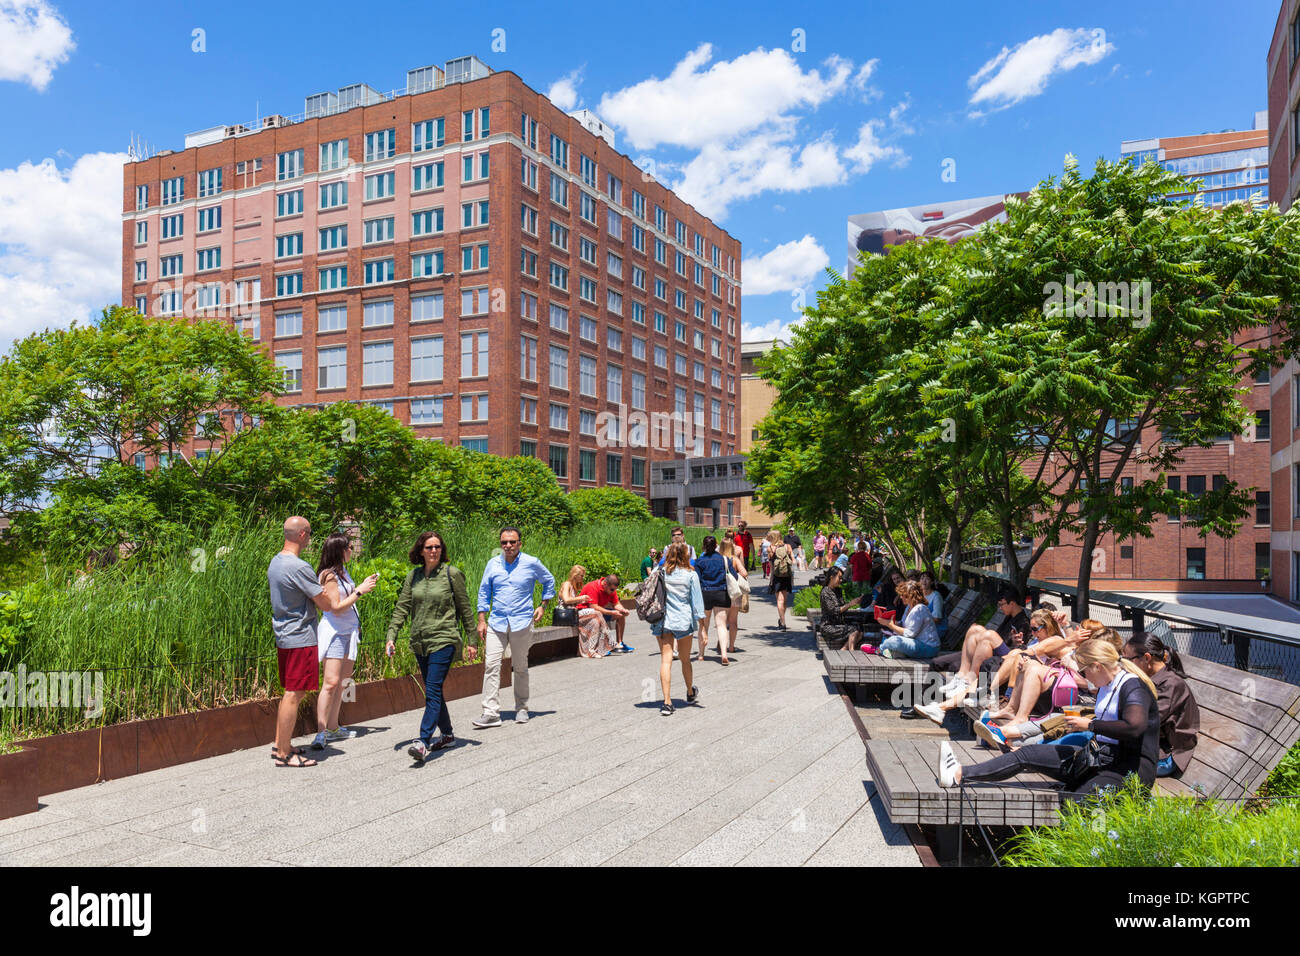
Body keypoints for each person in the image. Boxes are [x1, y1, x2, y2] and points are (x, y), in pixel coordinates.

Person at [938, 638, 1161, 801]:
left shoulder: (1133, 687)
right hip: (1099, 758)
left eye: (1084, 671)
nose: (1084, 677)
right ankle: (959, 773)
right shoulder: (1107, 683)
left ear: (1098, 666)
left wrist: (1090, 725)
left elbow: (1135, 727)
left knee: (1075, 802)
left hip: (1129, 771)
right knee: (1026, 754)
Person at [268, 516, 376, 767]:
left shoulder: (276, 562)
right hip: (300, 635)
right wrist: (355, 591)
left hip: (284, 634)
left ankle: (280, 744)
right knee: (295, 693)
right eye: (310, 533)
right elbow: (327, 604)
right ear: (302, 535)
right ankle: (284, 754)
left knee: (290, 691)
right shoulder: (300, 567)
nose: (311, 538)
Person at [386, 531, 478, 763]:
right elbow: (402, 607)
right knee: (433, 690)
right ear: (421, 551)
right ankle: (447, 735)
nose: (434, 551)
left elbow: (465, 608)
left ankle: (422, 741)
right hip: (420, 641)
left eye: (437, 547)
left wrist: (472, 640)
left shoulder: (451, 574)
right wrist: (391, 636)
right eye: (429, 547)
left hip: (444, 638)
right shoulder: (414, 576)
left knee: (433, 689)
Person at [473, 526, 556, 728]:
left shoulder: (531, 563)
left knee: (520, 667)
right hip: (497, 622)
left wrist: (543, 605)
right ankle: (491, 713)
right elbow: (484, 591)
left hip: (522, 622)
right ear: (500, 544)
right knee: (491, 665)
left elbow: (549, 581)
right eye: (504, 542)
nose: (508, 545)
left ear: (520, 543)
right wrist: (482, 619)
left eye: (512, 542)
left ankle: (521, 708)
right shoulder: (493, 564)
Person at [312, 532, 368, 750]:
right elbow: (335, 608)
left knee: (344, 680)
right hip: (335, 633)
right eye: (349, 547)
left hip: (349, 632)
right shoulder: (329, 576)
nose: (351, 551)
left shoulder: (342, 571)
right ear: (339, 550)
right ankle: (321, 731)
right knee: (331, 682)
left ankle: (334, 727)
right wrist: (360, 591)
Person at [929, 586, 1030, 702]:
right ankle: (961, 675)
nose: (1000, 608)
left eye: (1001, 604)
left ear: (1012, 603)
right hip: (997, 649)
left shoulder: (1023, 622)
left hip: (1009, 657)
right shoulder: (1009, 617)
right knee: (975, 629)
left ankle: (969, 680)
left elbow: (1021, 649)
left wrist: (1014, 641)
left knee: (989, 635)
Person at [1124, 632, 1200, 777]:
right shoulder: (1151, 677)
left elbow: (1144, 721)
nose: (1125, 665)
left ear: (1147, 658)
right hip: (1152, 746)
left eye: (1128, 659)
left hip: (1167, 756)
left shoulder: (1170, 684)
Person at [653, 542, 702, 715]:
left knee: (666, 661)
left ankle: (667, 702)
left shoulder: (660, 572)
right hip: (683, 621)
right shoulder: (691, 575)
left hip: (664, 620)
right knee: (685, 659)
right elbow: (697, 603)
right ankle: (690, 692)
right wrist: (702, 627)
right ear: (686, 555)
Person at [869, 580, 939, 659]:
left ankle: (878, 650)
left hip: (928, 647)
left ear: (911, 596)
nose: (901, 597)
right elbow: (903, 624)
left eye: (903, 595)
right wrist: (890, 622)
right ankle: (897, 653)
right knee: (888, 636)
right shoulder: (909, 607)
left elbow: (910, 633)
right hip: (916, 643)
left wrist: (890, 625)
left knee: (895, 640)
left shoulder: (920, 609)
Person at [560, 565, 613, 659]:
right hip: (566, 614)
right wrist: (581, 598)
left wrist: (582, 601)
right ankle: (609, 640)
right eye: (581, 575)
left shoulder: (574, 586)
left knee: (595, 622)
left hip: (574, 614)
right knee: (597, 612)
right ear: (575, 575)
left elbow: (573, 602)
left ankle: (591, 651)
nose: (583, 578)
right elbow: (566, 600)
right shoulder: (566, 584)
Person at [694, 535, 732, 664]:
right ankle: (724, 654)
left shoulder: (700, 561)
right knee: (721, 625)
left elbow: (697, 580)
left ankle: (701, 654)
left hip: (705, 594)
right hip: (722, 593)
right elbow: (734, 576)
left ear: (703, 546)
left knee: (704, 625)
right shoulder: (724, 559)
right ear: (716, 545)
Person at [583, 571, 632, 654]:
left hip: (600, 612)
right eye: (612, 589)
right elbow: (593, 607)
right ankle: (602, 647)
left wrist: (623, 610)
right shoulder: (593, 587)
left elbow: (616, 604)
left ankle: (620, 643)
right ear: (605, 584)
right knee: (599, 616)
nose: (613, 591)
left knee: (621, 615)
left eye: (615, 589)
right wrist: (611, 613)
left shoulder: (610, 589)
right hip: (587, 613)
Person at [818, 565, 865, 651]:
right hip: (829, 625)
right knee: (853, 630)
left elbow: (842, 607)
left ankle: (843, 650)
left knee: (860, 628)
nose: (841, 580)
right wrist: (850, 604)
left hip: (839, 622)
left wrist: (855, 602)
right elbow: (834, 611)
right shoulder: (825, 592)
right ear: (831, 577)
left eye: (841, 578)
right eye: (839, 578)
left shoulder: (838, 590)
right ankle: (851, 651)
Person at [720, 538, 748, 656]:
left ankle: (721, 644)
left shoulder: (718, 559)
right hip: (734, 592)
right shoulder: (735, 559)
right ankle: (731, 646)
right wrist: (733, 574)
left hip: (721, 592)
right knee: (733, 621)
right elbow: (745, 573)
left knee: (721, 622)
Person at [767, 530, 795, 630]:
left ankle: (783, 623)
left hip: (777, 576)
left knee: (779, 600)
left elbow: (771, 566)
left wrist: (771, 580)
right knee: (784, 600)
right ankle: (782, 618)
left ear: (772, 537)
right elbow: (792, 561)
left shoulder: (770, 548)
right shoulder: (787, 546)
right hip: (786, 575)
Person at [920, 571, 946, 645]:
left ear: (932, 582)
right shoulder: (919, 595)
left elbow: (937, 619)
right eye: (922, 578)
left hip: (936, 629)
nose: (924, 581)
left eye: (927, 579)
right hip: (923, 628)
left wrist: (920, 622)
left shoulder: (936, 597)